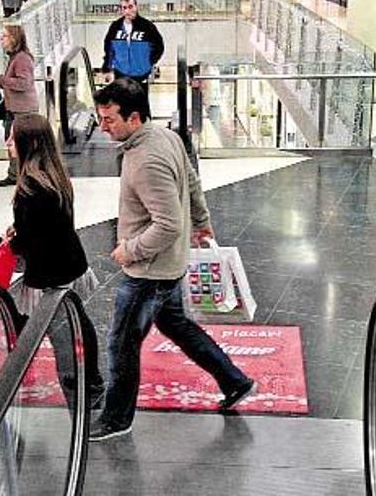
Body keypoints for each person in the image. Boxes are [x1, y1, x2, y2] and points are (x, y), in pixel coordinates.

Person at [89, 78, 255, 442]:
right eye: (100, 118)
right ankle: (235, 380)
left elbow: (166, 223)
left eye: (109, 119)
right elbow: (192, 182)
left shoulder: (146, 158)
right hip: (169, 265)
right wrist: (202, 220)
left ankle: (117, 419)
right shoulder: (165, 136)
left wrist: (129, 250)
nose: (102, 126)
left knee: (121, 343)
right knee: (177, 326)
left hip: (149, 271)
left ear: (134, 118)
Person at [6, 113, 104, 407]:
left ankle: (81, 391)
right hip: (69, 263)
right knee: (77, 323)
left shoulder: (31, 188)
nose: (8, 143)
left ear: (30, 142)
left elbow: (34, 239)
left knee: (62, 336)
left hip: (49, 275)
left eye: (13, 137)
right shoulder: (54, 176)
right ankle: (92, 381)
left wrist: (14, 241)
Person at [0, 25, 40, 187]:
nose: (1, 40)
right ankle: (14, 174)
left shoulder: (22, 59)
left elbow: (24, 83)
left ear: (14, 38)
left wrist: (1, 80)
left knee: (21, 143)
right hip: (14, 108)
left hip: (23, 110)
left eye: (4, 36)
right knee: (12, 141)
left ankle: (25, 175)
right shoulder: (15, 58)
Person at [101, 0, 165, 85]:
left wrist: (149, 62)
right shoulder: (115, 27)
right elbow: (108, 48)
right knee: (122, 99)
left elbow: (159, 46)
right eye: (124, 8)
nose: (128, 11)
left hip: (141, 74)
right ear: (121, 9)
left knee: (140, 99)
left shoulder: (147, 26)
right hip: (121, 73)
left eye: (130, 7)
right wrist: (107, 66)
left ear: (136, 6)